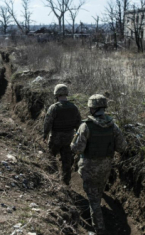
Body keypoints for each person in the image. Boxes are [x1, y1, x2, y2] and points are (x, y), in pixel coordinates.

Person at [71, 94, 127, 235]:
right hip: (106, 167)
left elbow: (77, 149)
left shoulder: (85, 126)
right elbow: (122, 147)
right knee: (98, 191)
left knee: (93, 200)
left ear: (92, 108)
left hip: (88, 168)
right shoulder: (113, 125)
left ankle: (99, 229)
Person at [43, 84, 81, 185]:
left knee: (51, 158)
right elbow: (79, 124)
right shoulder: (74, 107)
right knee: (67, 162)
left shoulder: (53, 108)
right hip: (69, 138)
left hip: (55, 138)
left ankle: (51, 179)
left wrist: (45, 135)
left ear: (56, 94)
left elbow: (47, 122)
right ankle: (66, 182)